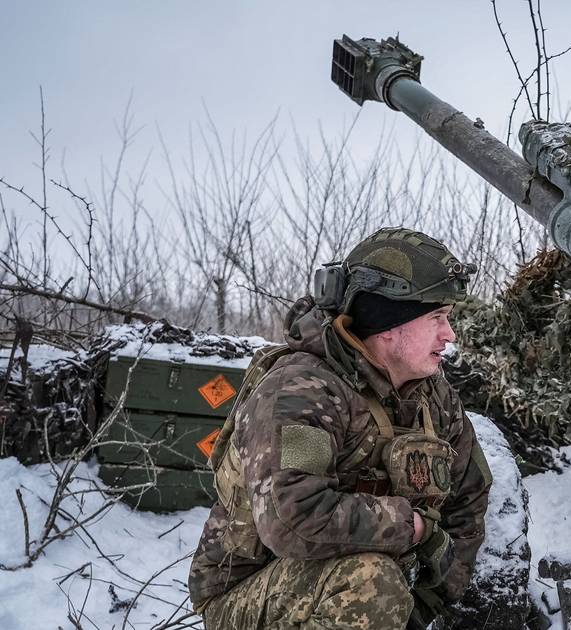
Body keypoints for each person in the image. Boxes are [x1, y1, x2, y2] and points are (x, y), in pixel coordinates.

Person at [188, 227, 492, 629]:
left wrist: (422, 607)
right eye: (437, 317)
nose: (449, 334)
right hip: (250, 597)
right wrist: (413, 528)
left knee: (378, 589)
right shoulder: (302, 391)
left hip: (362, 592)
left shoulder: (432, 397)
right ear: (387, 323)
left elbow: (467, 499)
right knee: (371, 584)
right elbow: (295, 518)